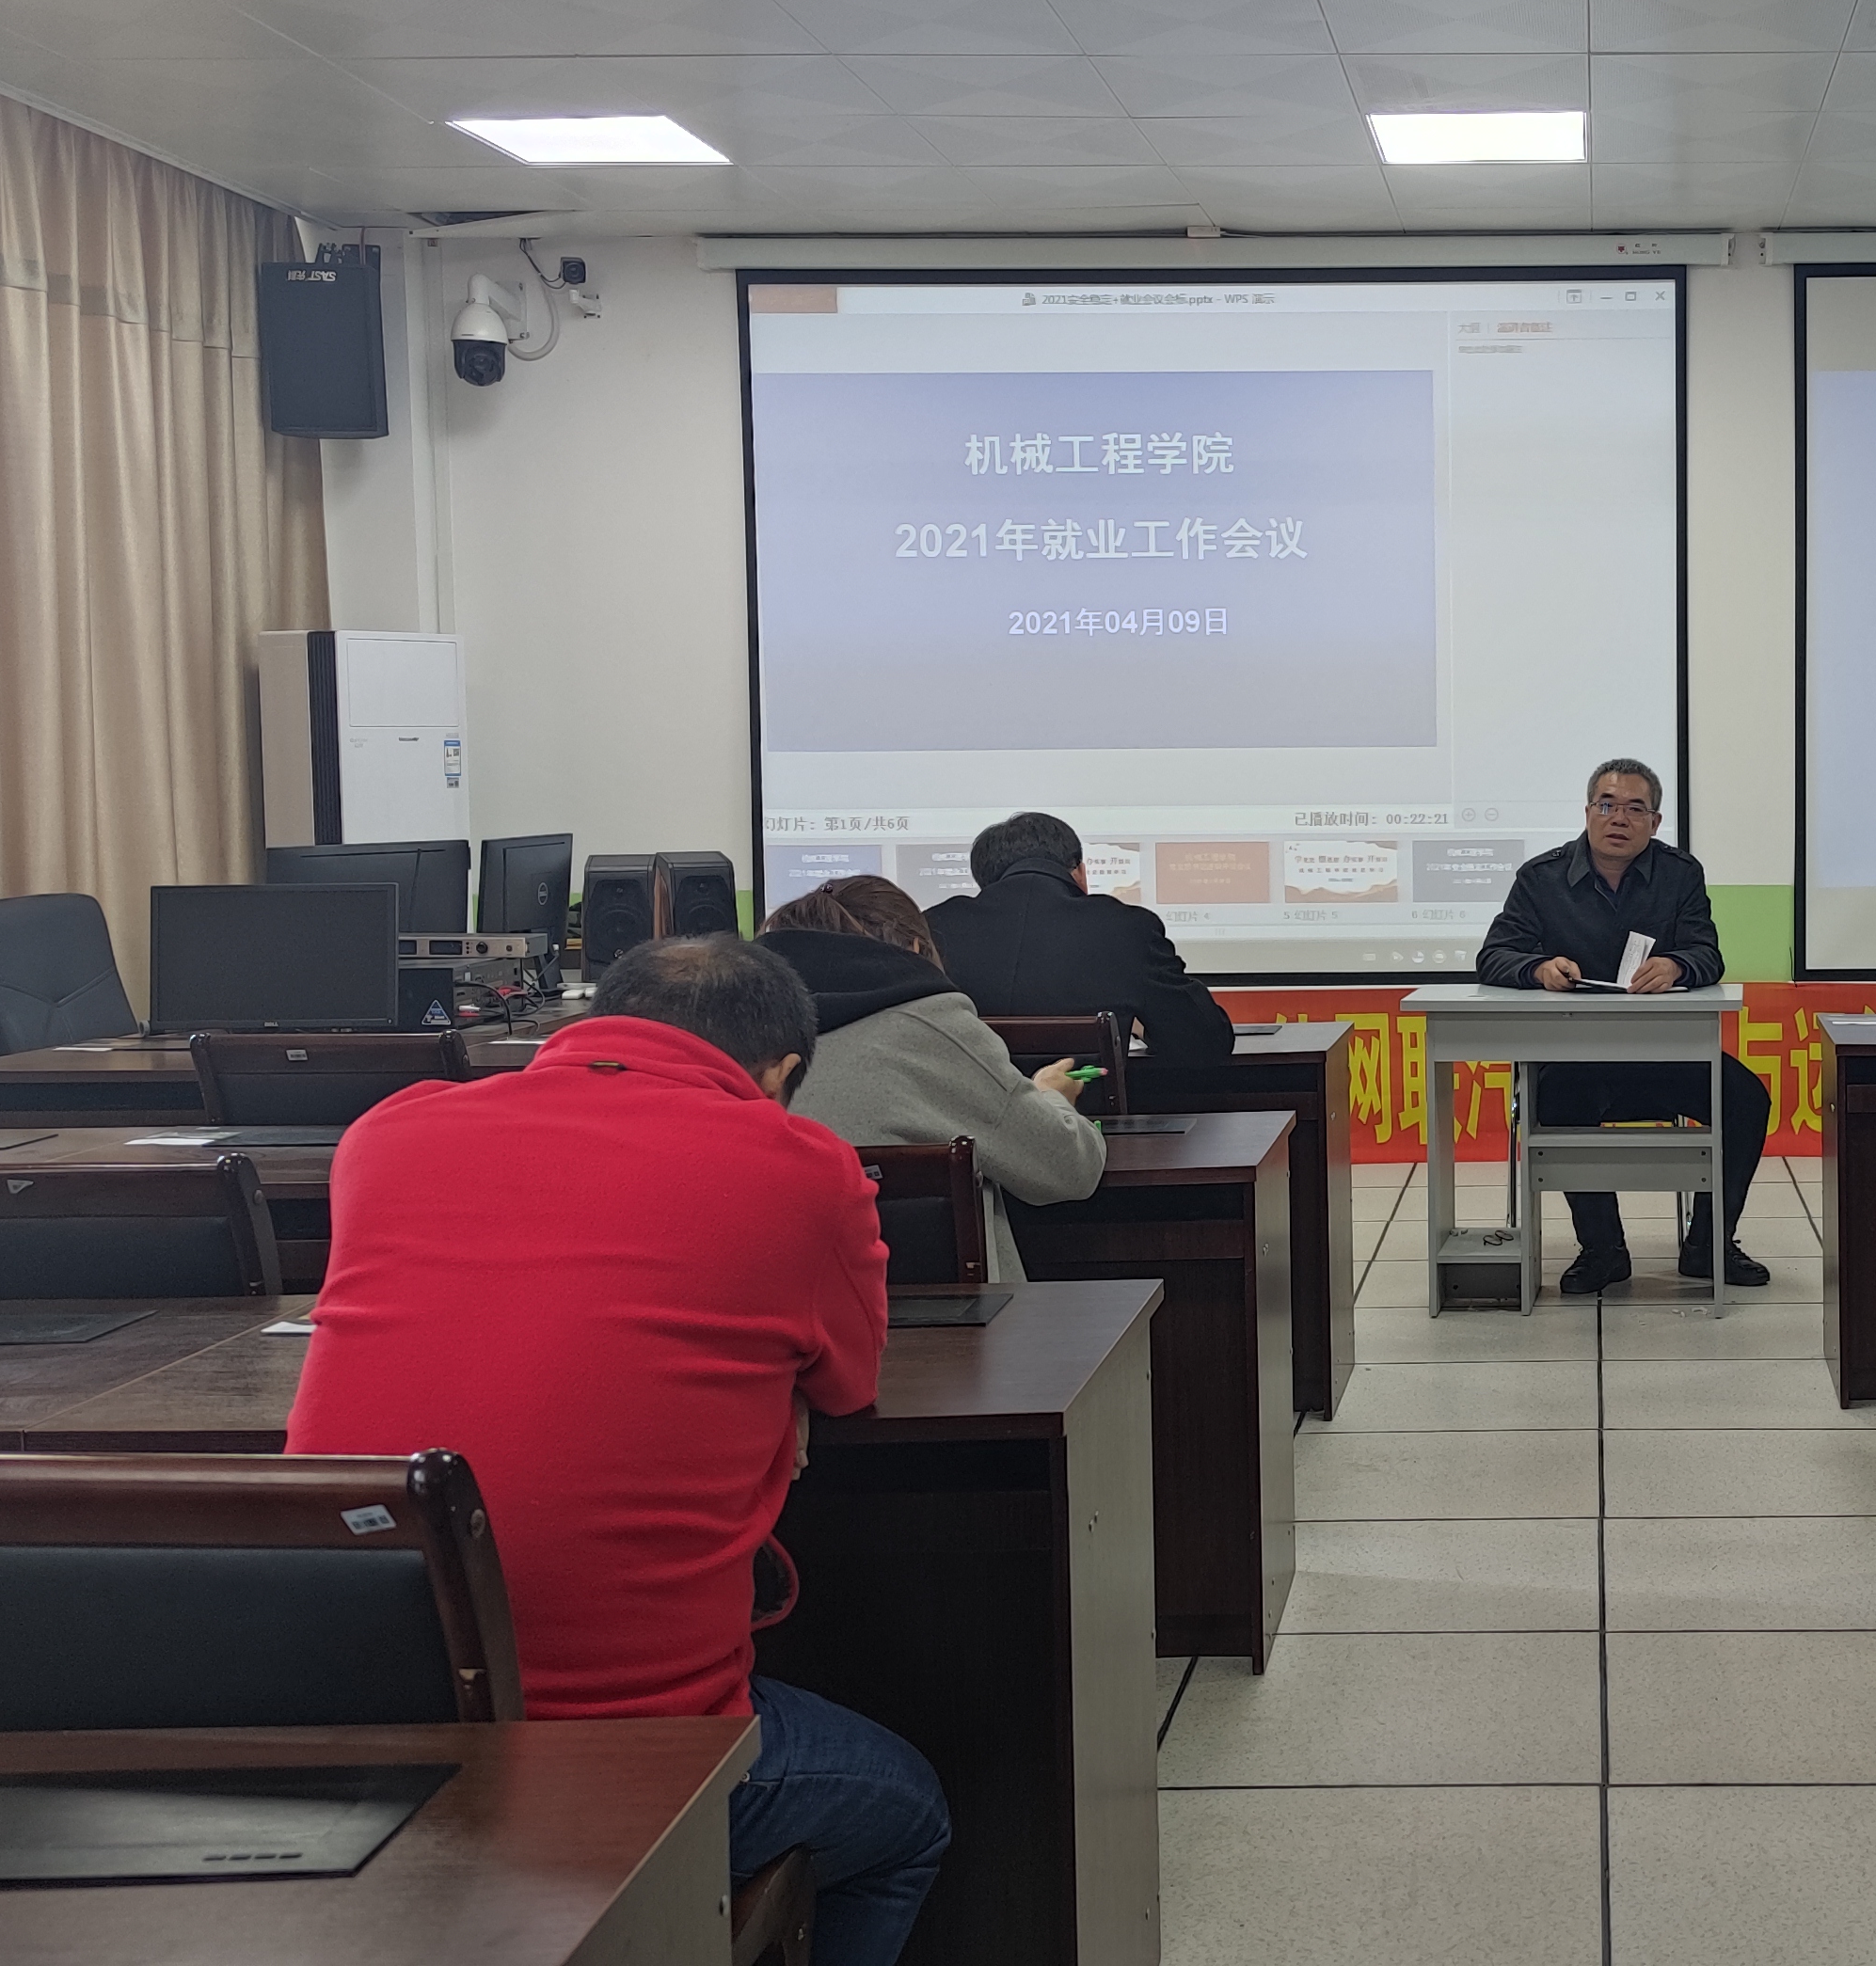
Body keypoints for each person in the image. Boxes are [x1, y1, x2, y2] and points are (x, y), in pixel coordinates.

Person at [285, 935, 948, 1966]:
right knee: (906, 1812)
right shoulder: (800, 1164)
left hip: (348, 1731)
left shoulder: (388, 1130)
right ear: (779, 1073)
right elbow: (849, 1383)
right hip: (628, 1753)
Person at [1473, 757, 1773, 1294]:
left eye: (1635, 809)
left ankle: (1708, 1246)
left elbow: (1708, 954)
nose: (1619, 818)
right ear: (1588, 811)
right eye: (1607, 805)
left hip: (1666, 1054)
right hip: (1574, 1056)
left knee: (1745, 1097)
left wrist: (1677, 965)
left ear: (1655, 822)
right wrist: (1538, 969)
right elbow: (1494, 956)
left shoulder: (1680, 874)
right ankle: (1603, 1250)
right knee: (1557, 1100)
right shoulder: (1541, 878)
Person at [759, 875, 1105, 1281]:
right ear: (914, 949)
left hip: (780, 1301)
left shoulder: (739, 1036)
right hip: (951, 1313)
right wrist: (1051, 1095)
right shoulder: (933, 1025)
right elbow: (1068, 1169)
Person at [924, 811, 1234, 1066]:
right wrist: (1143, 1028)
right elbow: (1205, 1042)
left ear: (983, 881)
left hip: (962, 1121)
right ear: (1080, 873)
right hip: (1090, 1119)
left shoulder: (932, 927)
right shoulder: (1127, 926)